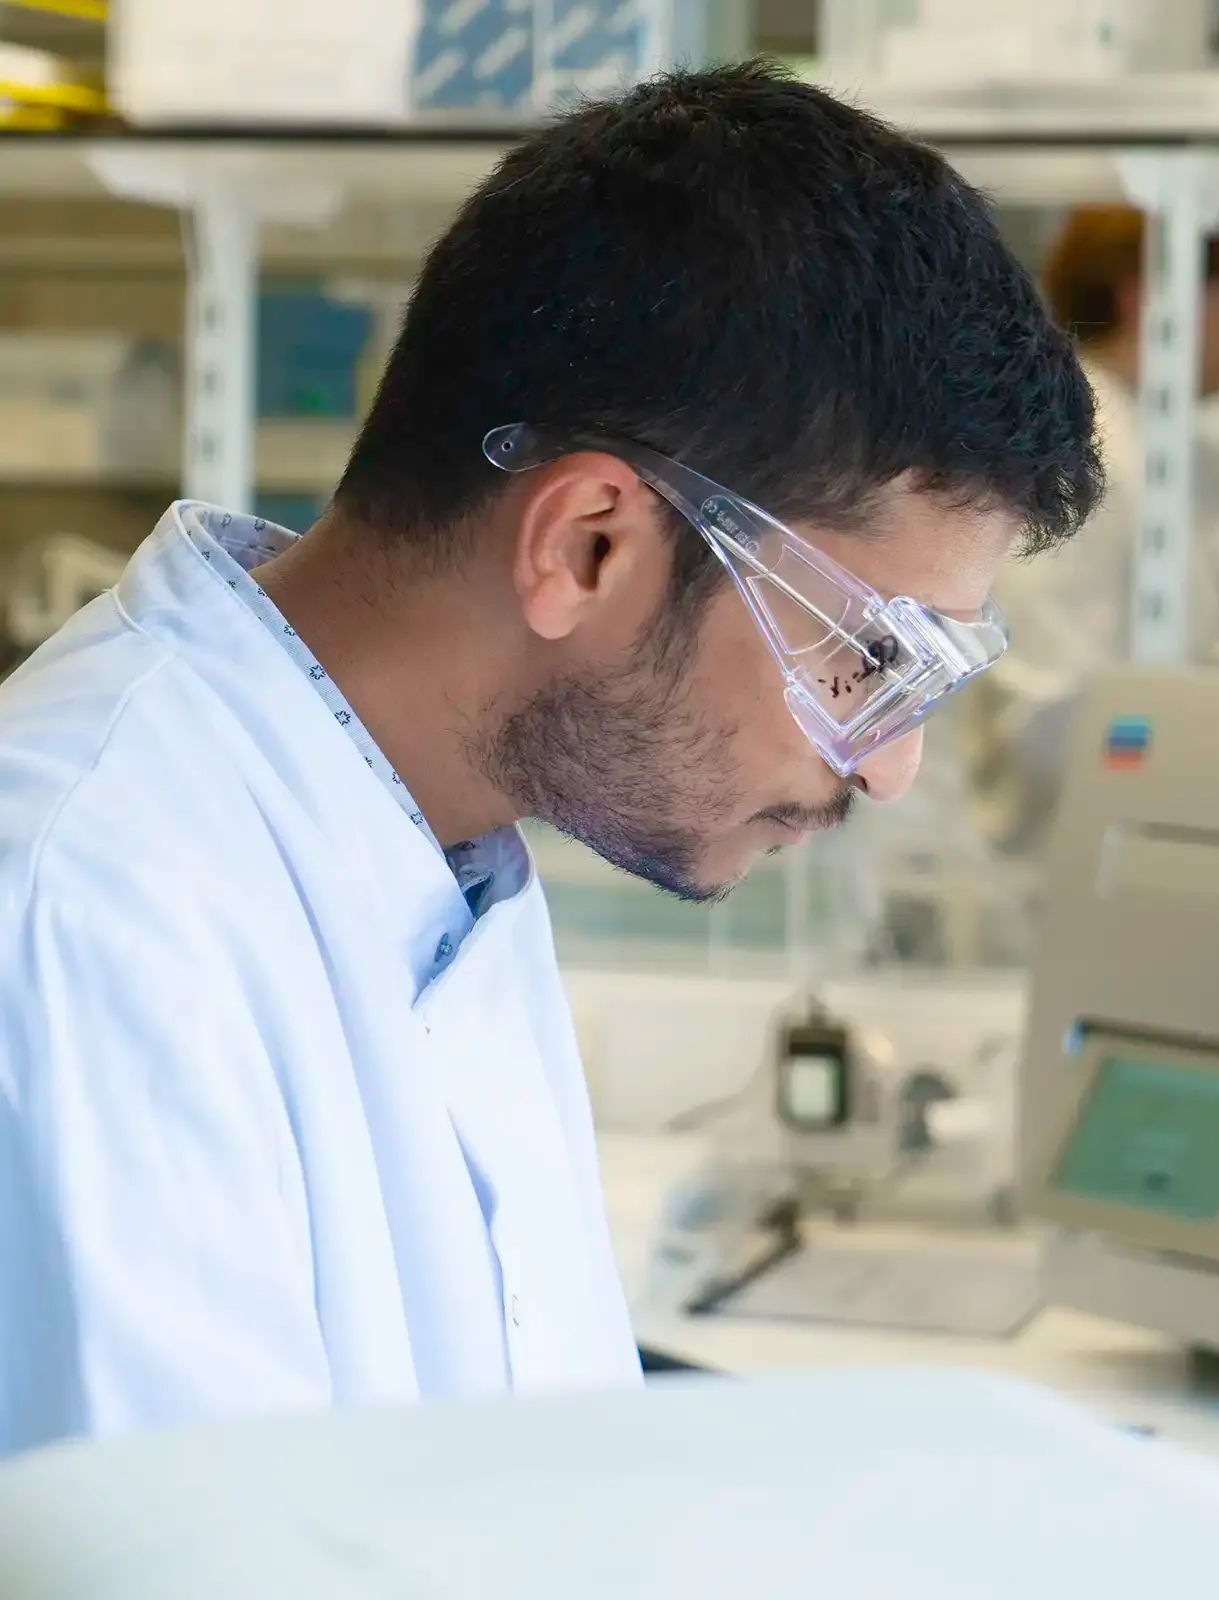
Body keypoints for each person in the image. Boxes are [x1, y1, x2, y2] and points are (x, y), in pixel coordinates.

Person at [0, 64, 1101, 1454]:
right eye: (867, 658)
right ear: (589, 545)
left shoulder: (436, 834)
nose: (890, 769)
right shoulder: (86, 914)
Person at [966, 202, 1219, 856]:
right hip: (1055, 855)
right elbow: (1047, 698)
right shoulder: (1083, 446)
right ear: (1149, 300)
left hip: (1124, 835)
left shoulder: (1152, 441)